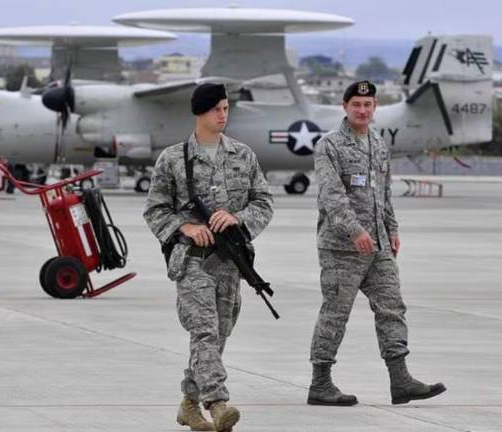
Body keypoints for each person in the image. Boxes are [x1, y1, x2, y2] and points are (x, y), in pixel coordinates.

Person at [307, 80, 447, 406]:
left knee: (392, 306)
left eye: (368, 105)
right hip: (341, 247)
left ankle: (401, 380)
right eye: (356, 104)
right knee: (335, 313)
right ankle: (320, 383)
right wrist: (355, 232)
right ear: (345, 107)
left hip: (379, 245)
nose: (362, 110)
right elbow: (332, 197)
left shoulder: (378, 143)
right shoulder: (330, 145)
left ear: (375, 108)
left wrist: (392, 230)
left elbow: (384, 194)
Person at [143, 83, 273, 431]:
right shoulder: (173, 158)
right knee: (203, 331)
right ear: (200, 112)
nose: (223, 115)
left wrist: (238, 218)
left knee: (219, 333)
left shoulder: (243, 155)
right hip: (191, 260)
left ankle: (188, 403)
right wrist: (184, 227)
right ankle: (217, 402)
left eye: (226, 108)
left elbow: (263, 202)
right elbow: (155, 210)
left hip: (230, 260)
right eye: (217, 108)